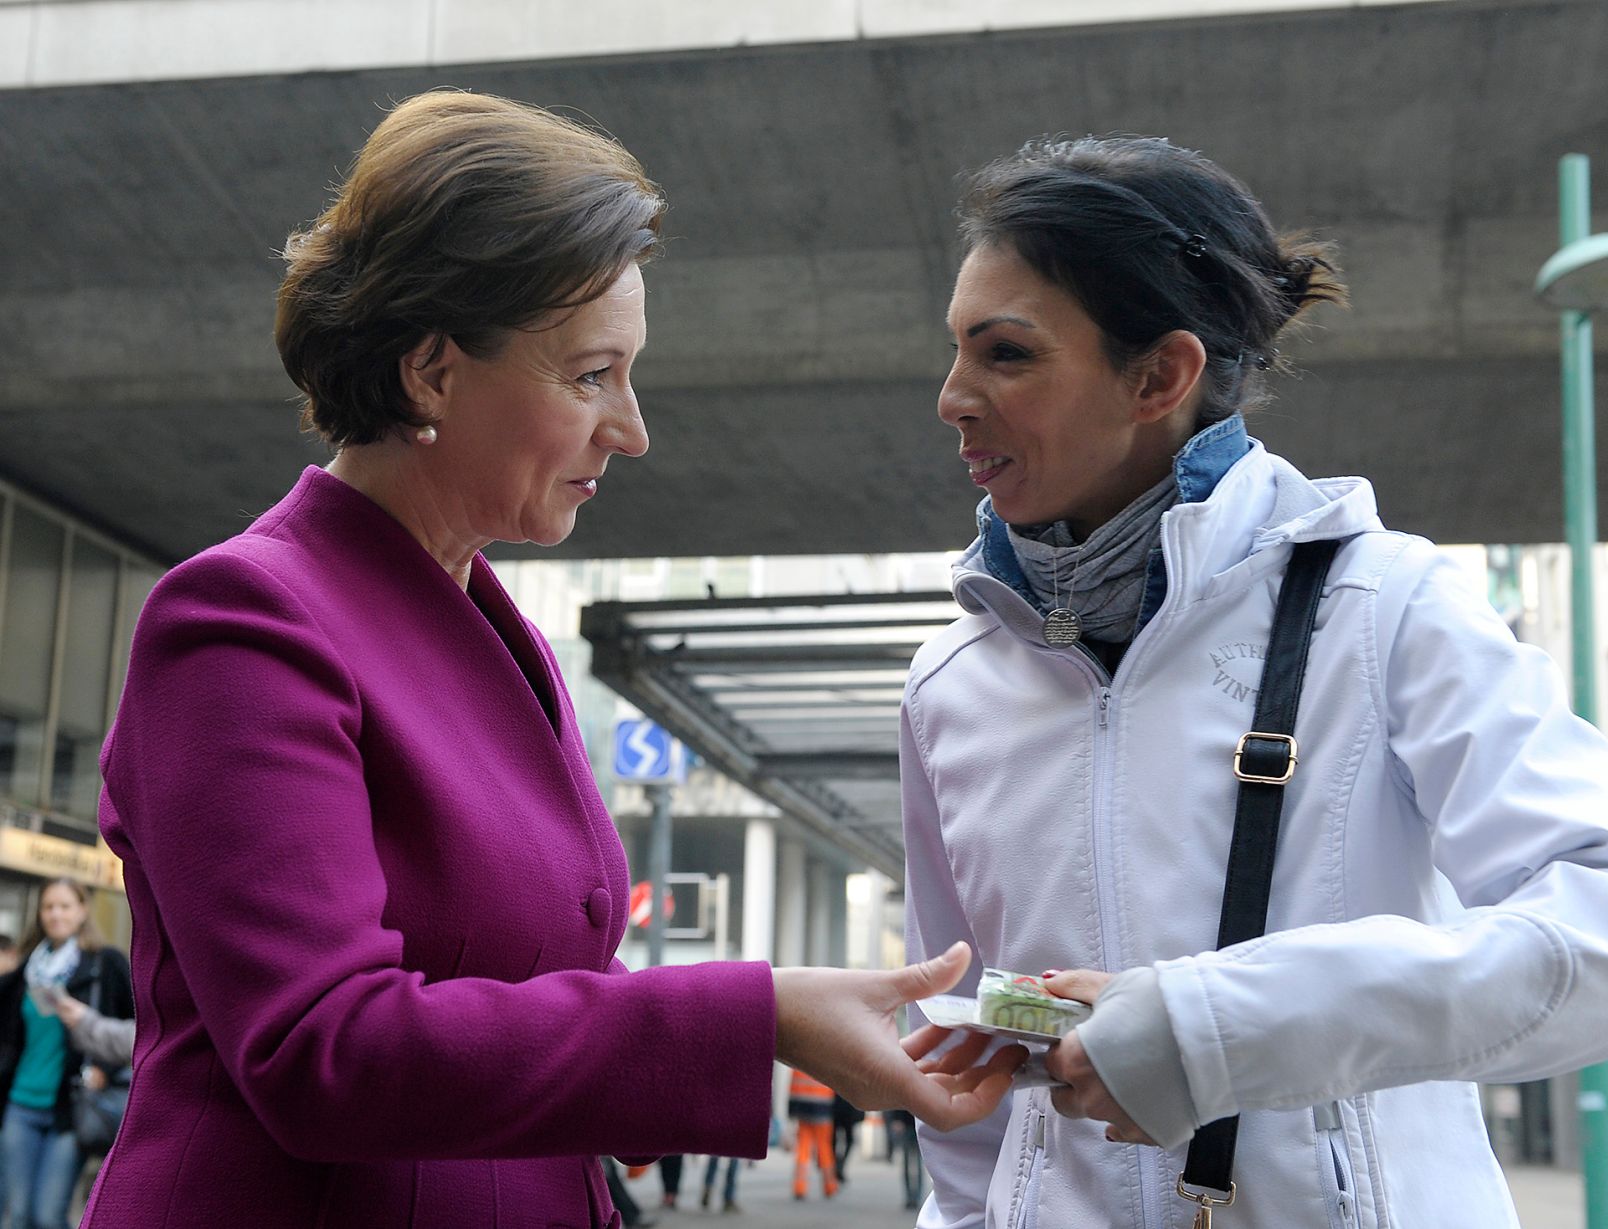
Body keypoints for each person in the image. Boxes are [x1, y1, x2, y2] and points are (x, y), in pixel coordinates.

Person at [81, 90, 1022, 1229]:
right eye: (590, 375)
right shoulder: (239, 618)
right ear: (429, 371)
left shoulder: (494, 623)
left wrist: (790, 1018)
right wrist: (754, 1014)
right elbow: (321, 1048)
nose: (629, 427)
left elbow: (517, 994)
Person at [901, 135, 1608, 1228]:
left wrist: (1215, 1025)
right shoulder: (949, 675)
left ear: (1160, 376)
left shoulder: (1388, 604)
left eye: (1005, 354)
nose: (952, 397)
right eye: (957, 351)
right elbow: (956, 1053)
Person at [0, 878, 131, 1229]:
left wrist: (104, 1066)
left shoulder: (105, 964)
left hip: (71, 1107)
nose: (56, 914)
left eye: (65, 906)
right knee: (15, 1215)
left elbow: (137, 1028)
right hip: (20, 1104)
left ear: (82, 910)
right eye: (48, 907)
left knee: (48, 1215)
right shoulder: (26, 971)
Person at [788, 1067, 839, 1200]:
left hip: (803, 1111)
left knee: (803, 1149)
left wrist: (792, 1112)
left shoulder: (798, 1063)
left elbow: (793, 1087)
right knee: (824, 1148)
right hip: (823, 1110)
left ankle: (799, 1187)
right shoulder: (824, 1062)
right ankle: (830, 1186)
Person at [886, 1107, 923, 1212]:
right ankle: (909, 1197)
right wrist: (897, 1119)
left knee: (917, 1165)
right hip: (907, 1124)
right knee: (907, 1164)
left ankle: (916, 1197)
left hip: (919, 1123)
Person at [831, 1092, 863, 1183]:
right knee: (834, 1140)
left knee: (846, 1140)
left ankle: (839, 1166)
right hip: (839, 1108)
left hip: (842, 1109)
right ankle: (838, 1166)